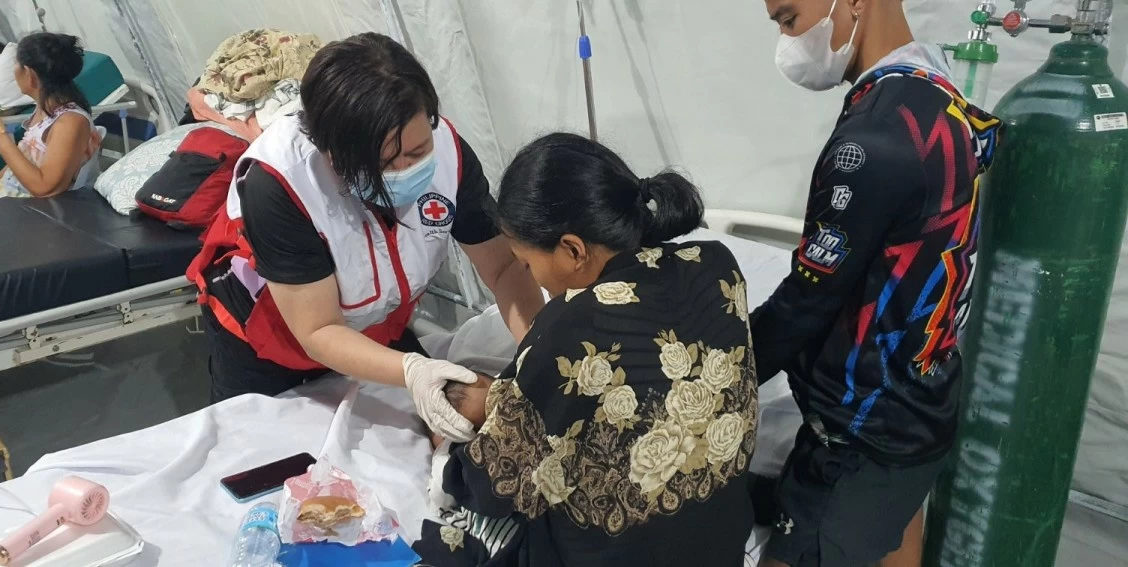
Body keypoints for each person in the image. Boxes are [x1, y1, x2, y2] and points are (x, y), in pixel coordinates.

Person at [415, 133, 759, 566]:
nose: (531, 276)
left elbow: (493, 487)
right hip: (721, 544)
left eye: (527, 262)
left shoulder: (570, 323)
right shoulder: (715, 263)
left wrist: (457, 448)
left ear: (573, 250)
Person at [186, 33, 544, 443]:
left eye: (418, 150)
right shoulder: (280, 182)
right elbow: (318, 330)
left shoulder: (448, 153)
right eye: (386, 162)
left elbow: (503, 268)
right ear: (333, 153)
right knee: (256, 459)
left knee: (449, 427)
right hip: (269, 345)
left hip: (375, 329)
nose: (408, 167)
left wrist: (536, 345)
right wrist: (412, 370)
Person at [751, 1, 1003, 566]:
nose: (787, 42)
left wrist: (723, 372)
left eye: (788, 20)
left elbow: (806, 301)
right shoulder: (937, 94)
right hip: (919, 412)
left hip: (858, 438)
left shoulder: (873, 139)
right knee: (896, 539)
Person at [0, 33, 98, 200]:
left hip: (34, 216)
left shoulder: (70, 122)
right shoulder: (44, 112)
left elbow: (45, 187)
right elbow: (25, 159)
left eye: (15, 64)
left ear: (29, 75)